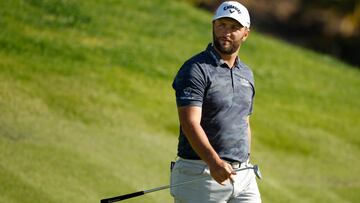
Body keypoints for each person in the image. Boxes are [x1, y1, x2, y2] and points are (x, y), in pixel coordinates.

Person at [170, 1, 261, 203]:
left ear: (245, 33)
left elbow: (244, 120)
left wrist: (244, 160)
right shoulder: (196, 69)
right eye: (221, 25)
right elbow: (190, 123)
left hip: (242, 175)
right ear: (213, 26)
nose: (226, 32)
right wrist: (214, 162)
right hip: (201, 172)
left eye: (234, 27)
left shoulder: (246, 74)